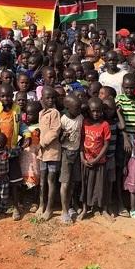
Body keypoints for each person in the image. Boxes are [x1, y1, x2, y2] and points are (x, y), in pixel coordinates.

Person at [0, 83, 30, 220]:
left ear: (12, 96)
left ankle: (15, 207)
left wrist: (27, 135)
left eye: (8, 96)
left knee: (14, 182)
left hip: (11, 150)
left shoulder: (16, 110)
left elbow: (21, 126)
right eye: (3, 96)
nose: (6, 98)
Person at [78, 97, 111, 221]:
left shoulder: (105, 125)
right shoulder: (85, 123)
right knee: (86, 186)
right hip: (86, 161)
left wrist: (97, 159)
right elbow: (81, 141)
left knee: (100, 186)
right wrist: (82, 157)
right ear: (89, 111)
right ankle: (85, 209)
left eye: (98, 111)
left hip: (99, 162)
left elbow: (106, 144)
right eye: (93, 111)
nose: (96, 114)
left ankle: (103, 209)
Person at [37, 86, 61, 220]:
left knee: (51, 180)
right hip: (43, 154)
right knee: (42, 180)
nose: (51, 100)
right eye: (48, 98)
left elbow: (54, 131)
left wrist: (42, 143)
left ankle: (50, 208)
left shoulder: (55, 113)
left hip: (52, 153)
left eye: (53, 97)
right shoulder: (41, 113)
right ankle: (41, 204)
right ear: (42, 99)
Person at [59, 94, 83, 224]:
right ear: (67, 108)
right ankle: (64, 211)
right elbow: (59, 140)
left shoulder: (80, 117)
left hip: (77, 152)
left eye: (79, 107)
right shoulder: (63, 120)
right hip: (66, 154)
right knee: (65, 183)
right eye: (76, 108)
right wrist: (64, 136)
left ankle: (71, 206)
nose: (79, 109)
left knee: (74, 182)